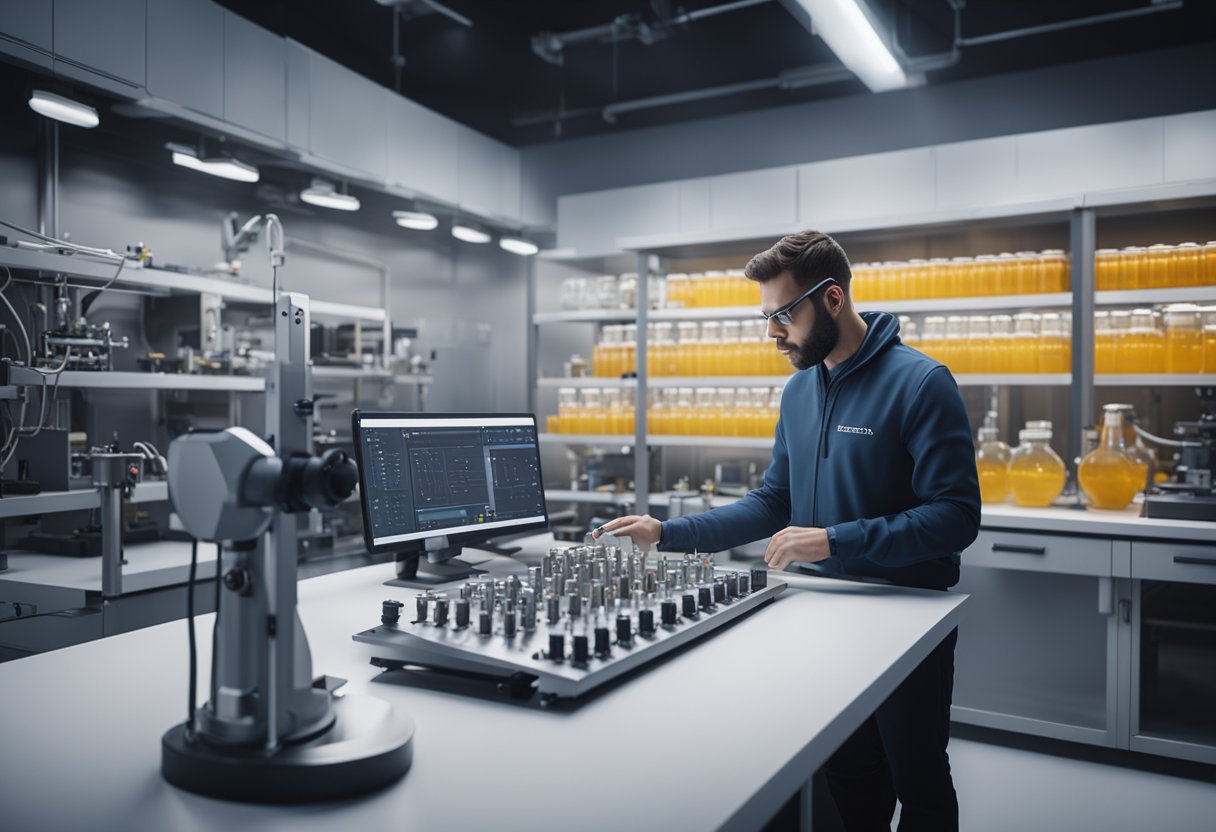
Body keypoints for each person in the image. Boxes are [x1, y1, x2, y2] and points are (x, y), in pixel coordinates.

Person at [594, 229, 980, 831]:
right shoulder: (800, 389)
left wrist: (832, 539)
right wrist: (665, 534)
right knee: (851, 774)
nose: (772, 332)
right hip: (827, 613)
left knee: (919, 776)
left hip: (910, 618)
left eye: (782, 315)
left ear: (831, 301)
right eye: (767, 316)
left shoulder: (922, 383)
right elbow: (775, 500)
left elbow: (956, 517)